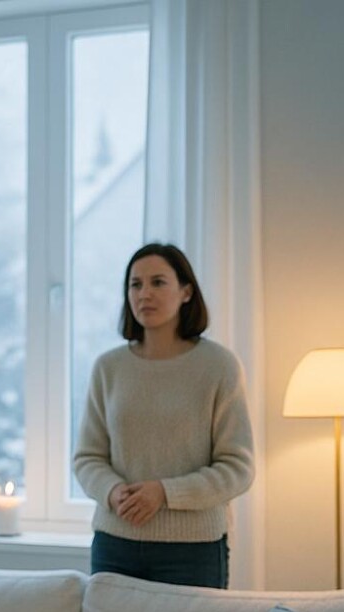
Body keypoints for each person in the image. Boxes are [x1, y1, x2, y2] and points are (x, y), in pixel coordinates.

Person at [73, 243, 255, 589]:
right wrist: (112, 492)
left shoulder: (219, 366)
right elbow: (87, 457)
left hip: (194, 551)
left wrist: (165, 493)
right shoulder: (109, 368)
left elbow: (238, 468)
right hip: (115, 544)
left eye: (158, 282)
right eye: (135, 284)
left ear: (186, 292)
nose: (145, 294)